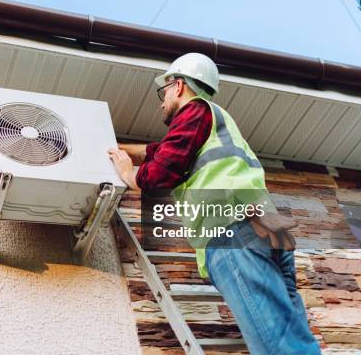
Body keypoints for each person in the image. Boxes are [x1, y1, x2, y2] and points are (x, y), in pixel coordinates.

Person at [108, 53, 320, 355]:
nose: (161, 100)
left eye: (164, 91)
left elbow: (163, 169)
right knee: (293, 339)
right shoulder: (213, 119)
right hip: (267, 228)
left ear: (179, 86)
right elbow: (160, 150)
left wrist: (130, 175)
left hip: (231, 230)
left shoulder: (193, 112)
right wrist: (121, 148)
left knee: (276, 346)